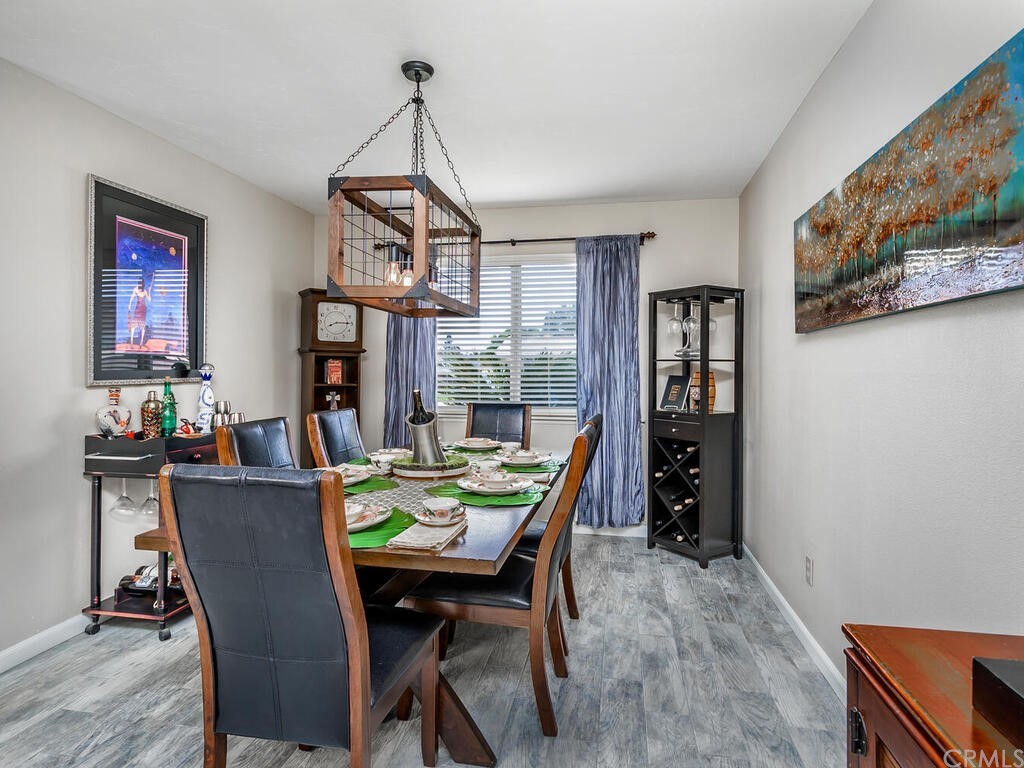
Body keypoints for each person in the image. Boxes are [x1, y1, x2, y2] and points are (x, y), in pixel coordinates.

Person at [127, 278, 150, 347]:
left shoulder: (144, 291)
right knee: (134, 325)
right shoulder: (136, 289)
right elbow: (132, 297)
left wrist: (149, 291)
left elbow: (149, 300)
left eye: (141, 284)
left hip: (143, 309)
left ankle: (141, 343)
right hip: (138, 308)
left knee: (142, 326)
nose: (140, 285)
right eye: (139, 283)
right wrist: (129, 305)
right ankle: (131, 343)